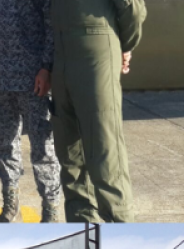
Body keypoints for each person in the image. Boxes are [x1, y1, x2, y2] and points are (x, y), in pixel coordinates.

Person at [51, 0, 147, 222]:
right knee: (69, 153)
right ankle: (83, 224)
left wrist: (125, 45)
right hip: (61, 57)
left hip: (95, 55)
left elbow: (132, 8)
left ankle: (120, 225)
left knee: (104, 148)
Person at [0, 0, 62, 223]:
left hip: (33, 77)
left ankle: (51, 208)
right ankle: (10, 203)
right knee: (5, 144)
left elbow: (51, 24)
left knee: (43, 146)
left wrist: (46, 67)